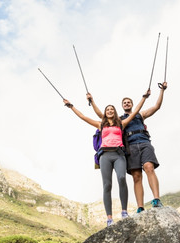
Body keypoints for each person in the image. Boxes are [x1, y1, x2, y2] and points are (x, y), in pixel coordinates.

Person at [63, 89, 150, 226]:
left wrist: (144, 97)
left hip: (119, 154)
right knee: (107, 185)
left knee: (122, 178)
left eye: (112, 109)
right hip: (105, 155)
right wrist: (71, 106)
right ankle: (109, 218)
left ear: (115, 112)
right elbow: (83, 116)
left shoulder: (122, 123)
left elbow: (135, 112)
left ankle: (124, 211)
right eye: (107, 109)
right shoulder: (100, 124)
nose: (110, 111)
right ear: (105, 112)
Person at [90, 82, 167, 213]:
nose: (126, 104)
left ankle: (156, 199)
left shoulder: (140, 114)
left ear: (132, 104)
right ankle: (140, 207)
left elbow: (157, 106)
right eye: (124, 102)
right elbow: (100, 115)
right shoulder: (118, 121)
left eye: (128, 102)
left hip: (144, 142)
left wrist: (162, 91)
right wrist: (92, 101)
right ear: (121, 106)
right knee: (136, 176)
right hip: (130, 147)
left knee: (149, 167)